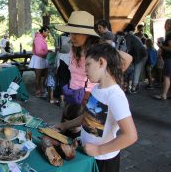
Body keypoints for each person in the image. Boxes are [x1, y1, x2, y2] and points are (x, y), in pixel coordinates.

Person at [54, 11, 132, 138]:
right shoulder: (75, 47)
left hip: (88, 99)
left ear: (87, 34)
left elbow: (127, 59)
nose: (71, 37)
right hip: (72, 97)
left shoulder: (98, 49)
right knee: (66, 136)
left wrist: (109, 78)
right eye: (70, 33)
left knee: (84, 138)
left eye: (76, 33)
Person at [83, 43, 137, 172]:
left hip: (104, 160)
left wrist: (98, 150)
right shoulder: (96, 88)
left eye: (88, 64)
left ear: (101, 62)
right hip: (90, 154)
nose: (85, 70)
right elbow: (89, 115)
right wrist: (66, 125)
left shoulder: (115, 96)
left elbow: (130, 135)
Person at [123, 23, 147, 93]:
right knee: (136, 71)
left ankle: (134, 88)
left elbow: (127, 49)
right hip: (141, 54)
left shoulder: (128, 36)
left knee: (137, 70)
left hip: (140, 55)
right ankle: (134, 86)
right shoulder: (132, 36)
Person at [29, 25, 50, 97]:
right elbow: (38, 51)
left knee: (45, 75)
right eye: (47, 32)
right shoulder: (38, 38)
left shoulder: (42, 38)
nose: (48, 34)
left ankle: (43, 89)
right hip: (38, 59)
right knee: (38, 76)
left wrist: (47, 51)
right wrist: (46, 52)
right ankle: (38, 91)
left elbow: (42, 49)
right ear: (43, 31)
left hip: (43, 58)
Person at [55, 32, 71, 107]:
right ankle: (68, 99)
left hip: (61, 65)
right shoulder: (72, 38)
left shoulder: (59, 38)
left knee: (62, 82)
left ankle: (62, 100)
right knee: (69, 81)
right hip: (70, 65)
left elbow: (57, 49)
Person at [154, 32, 171, 100]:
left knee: (166, 76)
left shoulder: (169, 35)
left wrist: (161, 46)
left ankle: (164, 95)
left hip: (169, 59)